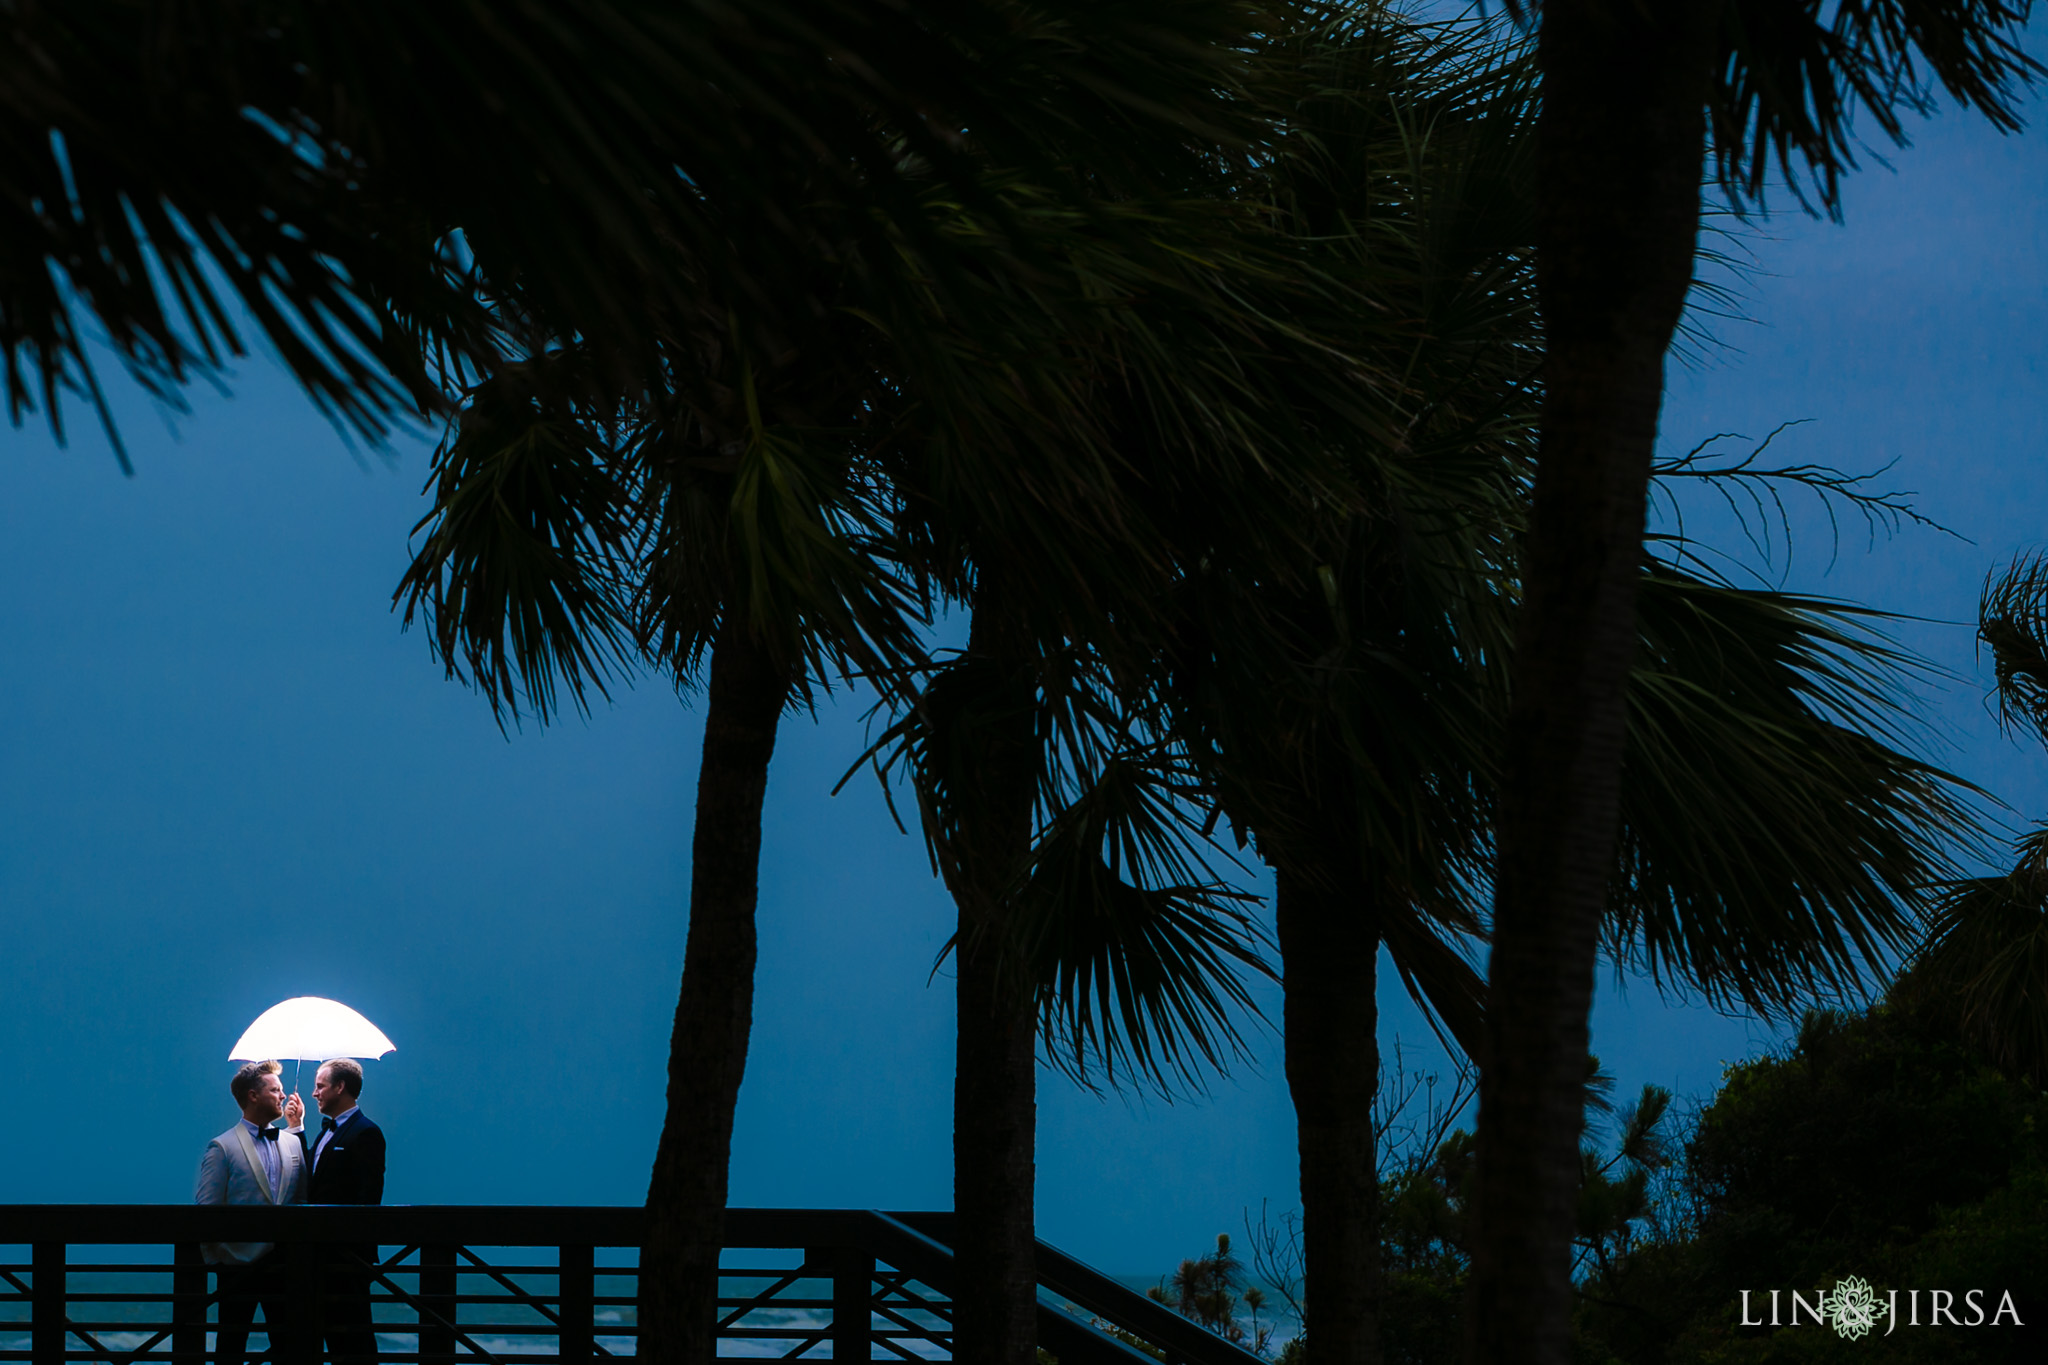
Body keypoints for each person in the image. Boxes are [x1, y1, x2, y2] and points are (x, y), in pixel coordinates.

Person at [195, 1060, 310, 1365]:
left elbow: (300, 1202)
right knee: (230, 1347)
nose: (283, 1096)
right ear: (253, 1096)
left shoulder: (292, 1144)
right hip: (237, 1266)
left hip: (284, 1266)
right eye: (275, 1090)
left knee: (288, 1347)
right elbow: (206, 1209)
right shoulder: (223, 1147)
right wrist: (219, 1258)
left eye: (282, 1089)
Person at [293, 1057, 386, 1365]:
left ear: (340, 1087)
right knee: (323, 1337)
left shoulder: (366, 1133)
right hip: (318, 1256)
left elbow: (368, 1199)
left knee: (353, 1340)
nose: (314, 1093)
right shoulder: (325, 1133)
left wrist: (353, 1253)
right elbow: (312, 1179)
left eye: (320, 1086)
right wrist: (297, 1128)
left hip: (346, 1258)